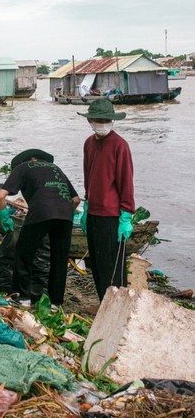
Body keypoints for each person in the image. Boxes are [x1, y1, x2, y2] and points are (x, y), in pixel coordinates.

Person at [0, 149, 80, 308]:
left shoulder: (23, 167)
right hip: (65, 216)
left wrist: (3, 215)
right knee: (59, 258)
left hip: (40, 213)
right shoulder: (55, 169)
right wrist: (64, 214)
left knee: (24, 253)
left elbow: (0, 196)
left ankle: (22, 297)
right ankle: (55, 302)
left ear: (24, 161)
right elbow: (75, 200)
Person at [78, 99, 134, 301]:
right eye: (97, 119)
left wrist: (126, 215)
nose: (101, 123)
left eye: (105, 119)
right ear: (89, 121)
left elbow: (126, 182)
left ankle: (118, 306)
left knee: (114, 266)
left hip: (112, 217)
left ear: (112, 120)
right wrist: (86, 205)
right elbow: (88, 177)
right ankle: (104, 303)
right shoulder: (88, 144)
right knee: (98, 264)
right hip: (93, 213)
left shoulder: (120, 145)